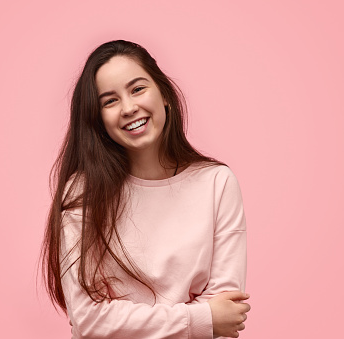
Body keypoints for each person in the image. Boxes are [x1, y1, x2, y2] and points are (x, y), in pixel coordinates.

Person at [41, 40, 251, 338]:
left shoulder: (216, 183)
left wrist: (126, 321)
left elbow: (226, 314)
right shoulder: (82, 192)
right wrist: (199, 318)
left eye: (138, 89)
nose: (128, 108)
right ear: (98, 120)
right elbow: (89, 320)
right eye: (109, 101)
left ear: (165, 94)